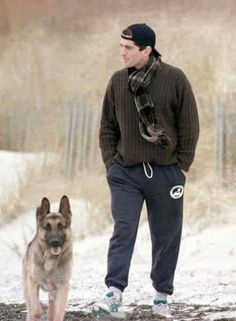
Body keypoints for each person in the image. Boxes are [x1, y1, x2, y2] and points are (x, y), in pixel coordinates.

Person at [92, 23, 199, 319]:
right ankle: (114, 293)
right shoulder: (116, 82)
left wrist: (181, 168)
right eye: (121, 46)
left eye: (128, 47)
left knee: (166, 234)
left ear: (146, 50)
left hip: (166, 172)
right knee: (123, 229)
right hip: (125, 172)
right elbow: (107, 127)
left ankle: (161, 297)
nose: (122, 52)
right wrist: (111, 163)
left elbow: (189, 126)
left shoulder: (174, 79)